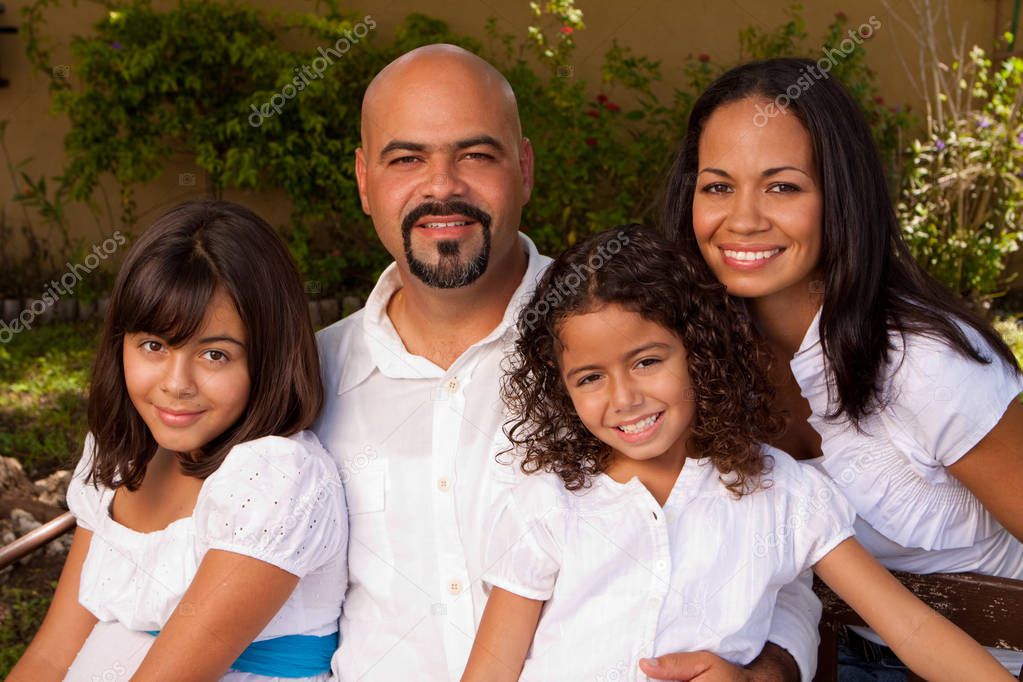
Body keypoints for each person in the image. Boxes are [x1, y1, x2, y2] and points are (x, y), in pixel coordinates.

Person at [313, 44, 817, 681]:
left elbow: (770, 544)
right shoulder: (307, 378)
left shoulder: (631, 347)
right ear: (364, 180)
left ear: (524, 168)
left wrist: (765, 674)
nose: (442, 185)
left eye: (475, 154)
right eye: (406, 158)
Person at [460, 224, 1011, 682]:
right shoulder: (549, 505)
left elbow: (909, 627)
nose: (623, 398)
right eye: (589, 377)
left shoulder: (785, 494)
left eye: (647, 361)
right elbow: (491, 671)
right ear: (562, 389)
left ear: (699, 352)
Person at [663, 57, 1023, 677]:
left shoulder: (926, 364)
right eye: (718, 186)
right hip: (834, 656)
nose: (743, 218)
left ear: (840, 196)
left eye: (783, 186)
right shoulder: (691, 357)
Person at [10, 200, 348, 681]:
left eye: (214, 355)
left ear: (268, 358)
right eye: (154, 346)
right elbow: (50, 655)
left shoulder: (275, 478)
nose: (176, 383)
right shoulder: (121, 456)